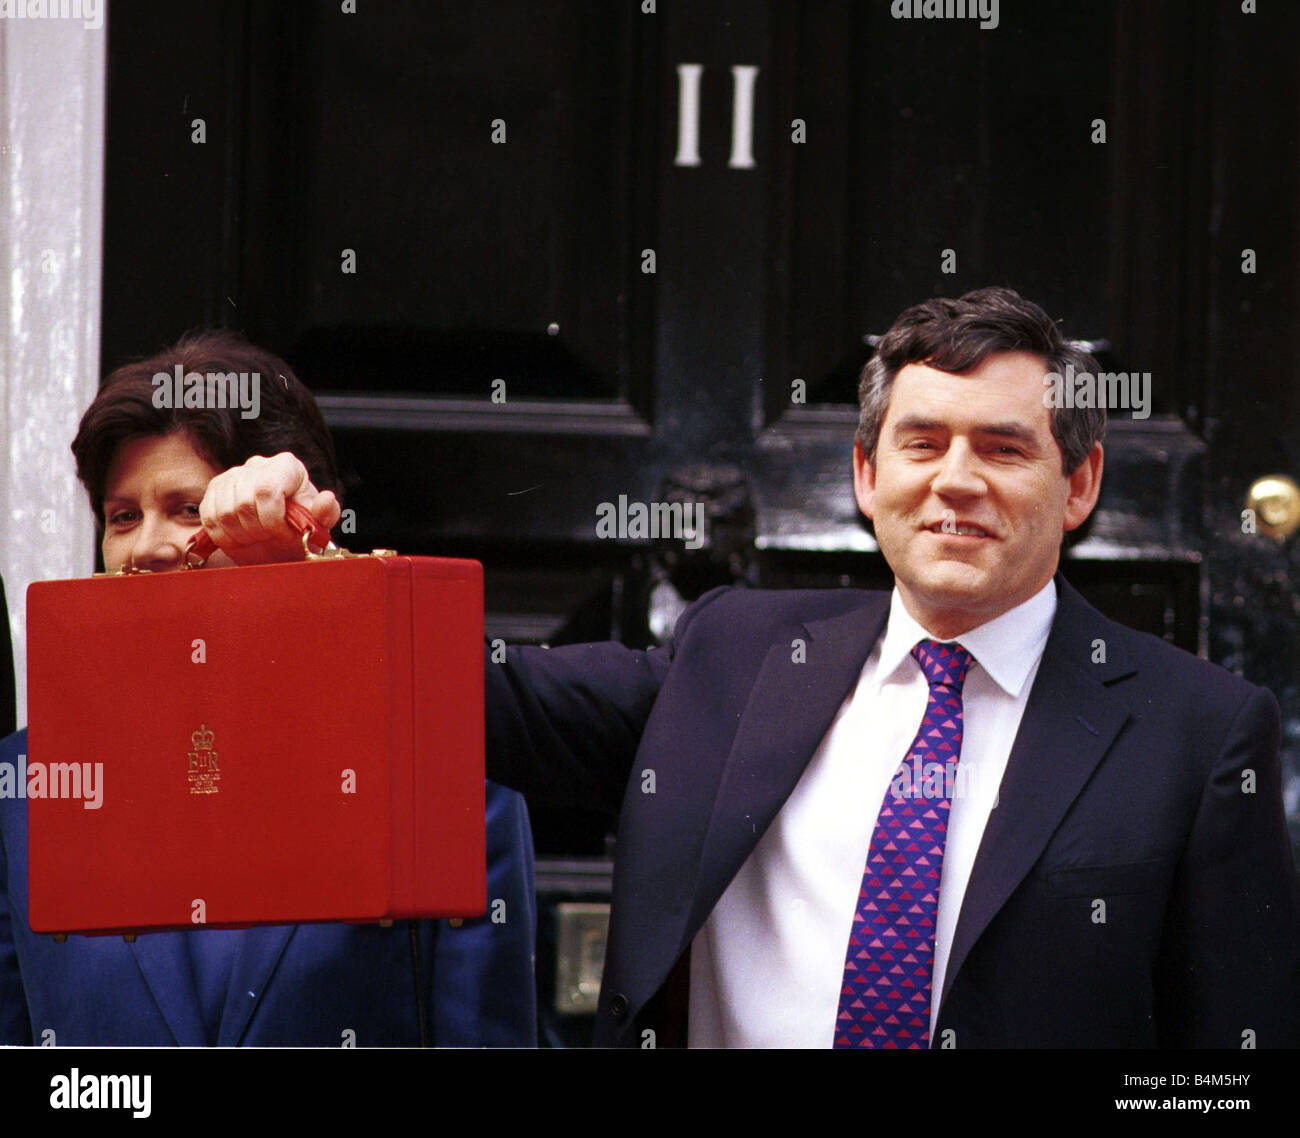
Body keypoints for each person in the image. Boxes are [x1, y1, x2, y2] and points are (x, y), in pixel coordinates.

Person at [179, 289, 1300, 1048]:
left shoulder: (1195, 732)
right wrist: (298, 569)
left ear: (1082, 482)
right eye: (921, 442)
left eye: (1003, 446)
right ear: (866, 476)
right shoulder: (736, 654)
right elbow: (470, 700)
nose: (956, 479)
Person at [0, 330, 537, 1046]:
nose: (146, 547)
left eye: (188, 510)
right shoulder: (31, 784)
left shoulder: (443, 776)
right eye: (122, 515)